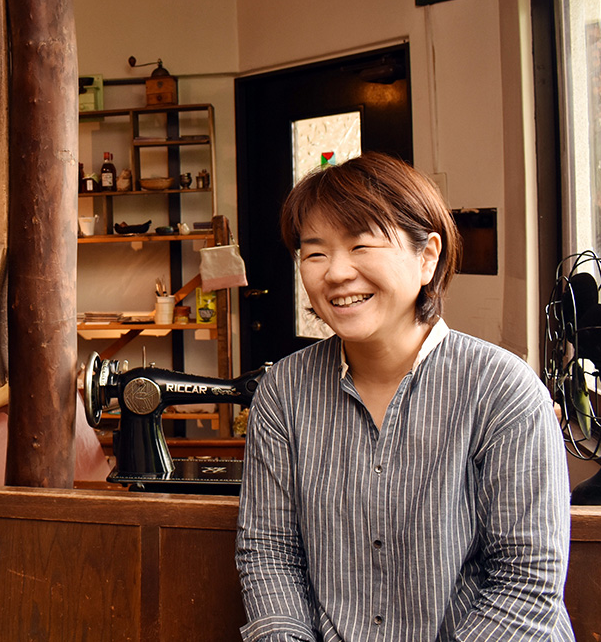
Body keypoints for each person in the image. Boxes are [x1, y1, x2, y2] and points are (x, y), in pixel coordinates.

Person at [236, 152, 573, 641]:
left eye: (361, 245)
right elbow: (270, 552)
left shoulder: (504, 390)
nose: (335, 273)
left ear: (427, 257)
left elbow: (526, 584)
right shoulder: (283, 392)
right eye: (314, 253)